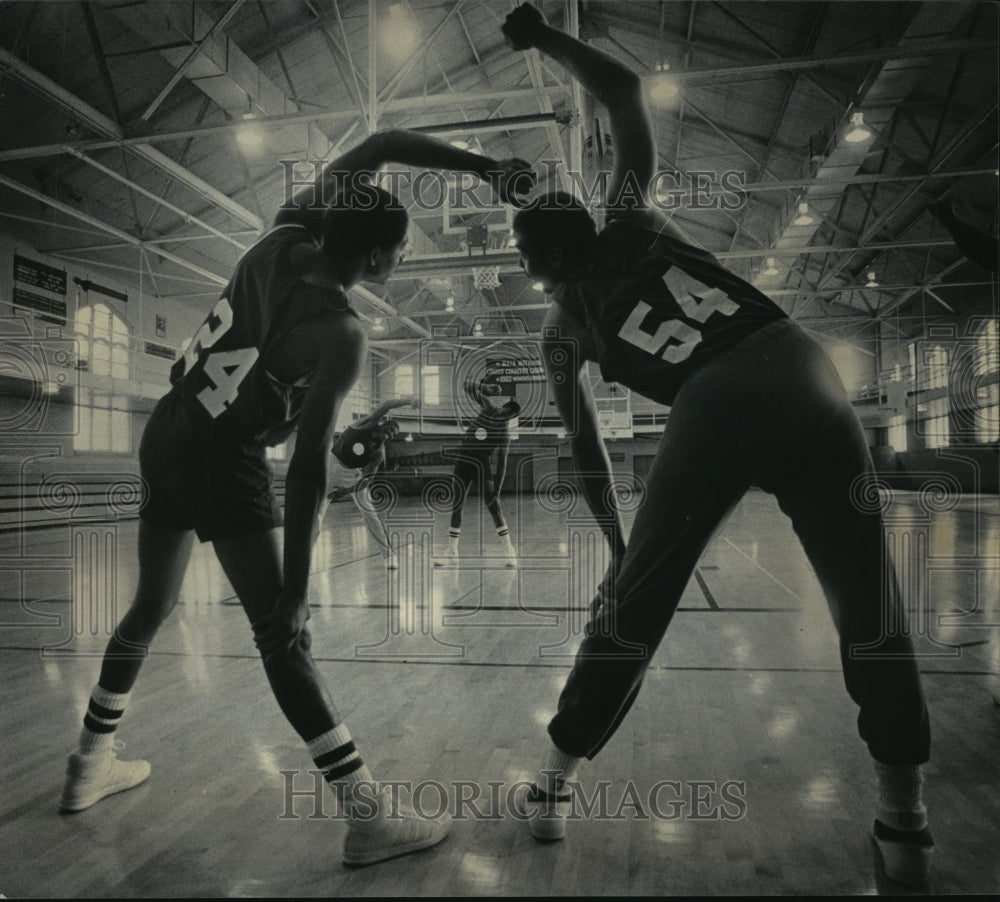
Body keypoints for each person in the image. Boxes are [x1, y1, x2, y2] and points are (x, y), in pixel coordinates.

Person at [501, 3, 933, 887]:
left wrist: (623, 550)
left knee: (636, 608)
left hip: (724, 393)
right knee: (869, 600)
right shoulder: (631, 216)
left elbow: (586, 453)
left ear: (537, 268)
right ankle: (905, 817)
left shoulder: (561, 327)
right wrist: (545, 38)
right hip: (807, 369)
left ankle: (550, 790)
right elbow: (621, 89)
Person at [58, 126, 531, 867]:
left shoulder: (280, 235)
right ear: (376, 259)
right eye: (401, 251)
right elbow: (308, 466)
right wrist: (300, 590)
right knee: (284, 635)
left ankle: (89, 761)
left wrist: (485, 169)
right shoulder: (341, 332)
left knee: (151, 606)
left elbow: (380, 141)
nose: (402, 260)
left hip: (167, 428)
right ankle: (368, 814)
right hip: (221, 458)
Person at [327, 397, 419, 569]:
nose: (391, 433)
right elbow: (386, 405)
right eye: (391, 428)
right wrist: (409, 400)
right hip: (330, 465)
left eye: (394, 434)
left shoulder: (378, 453)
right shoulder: (367, 424)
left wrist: (345, 491)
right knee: (316, 514)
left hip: (352, 474)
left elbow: (365, 481)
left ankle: (389, 556)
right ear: (382, 423)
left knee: (370, 513)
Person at [438, 379, 521, 566]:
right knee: (456, 505)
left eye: (510, 415)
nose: (506, 415)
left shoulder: (504, 433)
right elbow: (465, 385)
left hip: (480, 463)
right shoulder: (488, 407)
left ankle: (509, 550)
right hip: (463, 459)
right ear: (503, 407)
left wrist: (497, 492)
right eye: (506, 411)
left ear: (511, 417)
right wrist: (485, 388)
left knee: (494, 506)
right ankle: (451, 550)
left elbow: (502, 464)